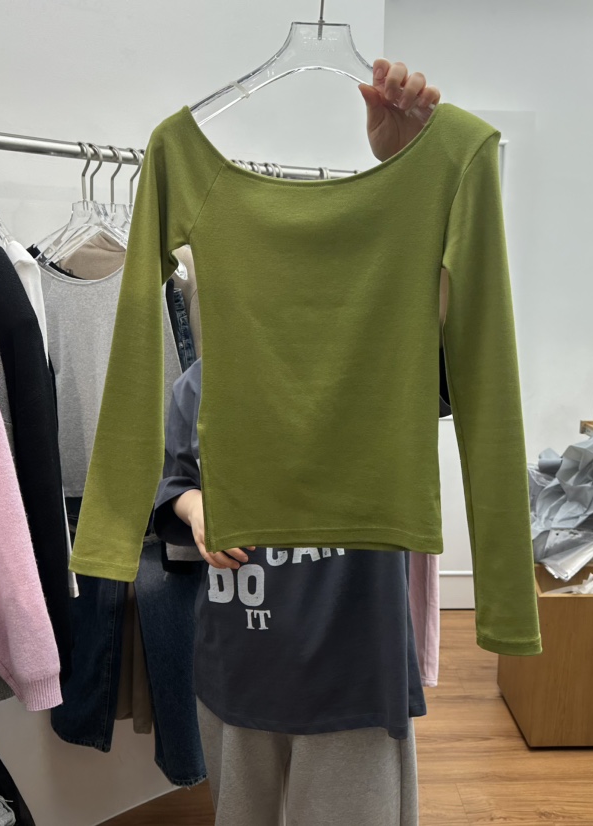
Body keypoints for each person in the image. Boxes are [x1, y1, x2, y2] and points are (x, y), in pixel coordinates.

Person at [153, 60, 441, 826]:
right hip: (240, 661)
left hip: (353, 670)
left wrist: (413, 168)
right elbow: (173, 484)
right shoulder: (197, 388)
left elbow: (457, 319)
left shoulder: (383, 368)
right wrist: (196, 509)